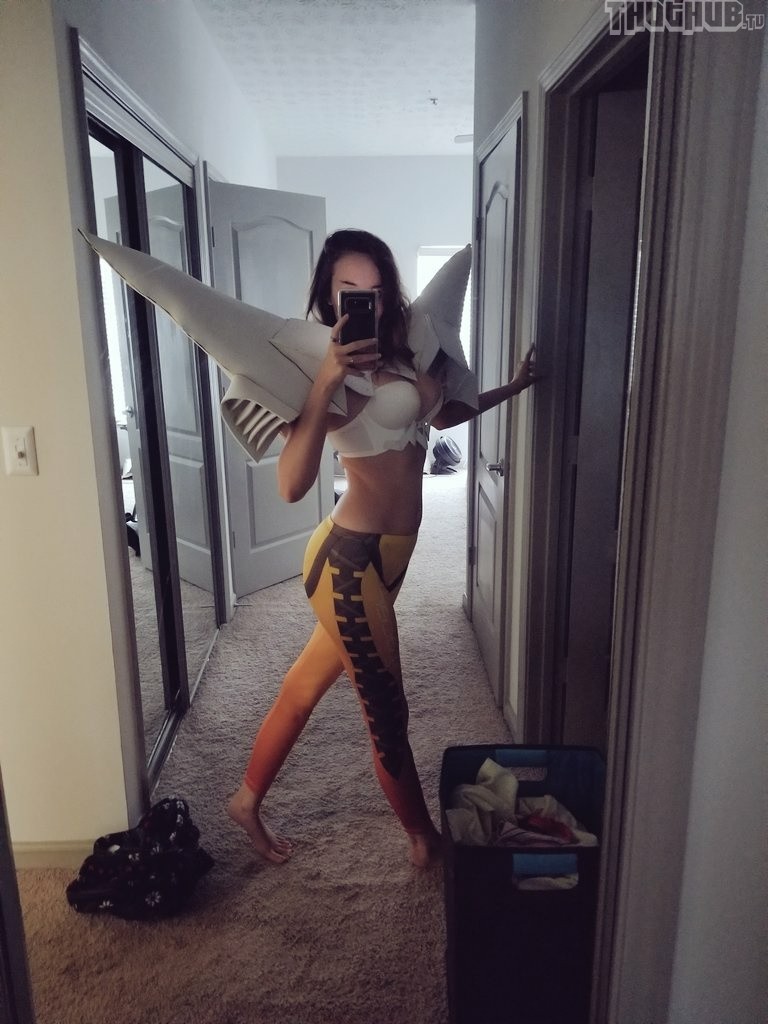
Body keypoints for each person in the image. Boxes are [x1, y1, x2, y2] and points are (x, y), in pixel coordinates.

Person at [227, 230, 537, 867]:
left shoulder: (405, 352)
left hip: (387, 559)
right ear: (329, 296)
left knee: (301, 690)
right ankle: (424, 841)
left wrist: (512, 387)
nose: (364, 301)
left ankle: (245, 800)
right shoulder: (312, 369)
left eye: (375, 290)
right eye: (349, 291)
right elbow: (290, 485)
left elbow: (441, 417)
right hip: (349, 565)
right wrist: (327, 380)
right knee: (388, 717)